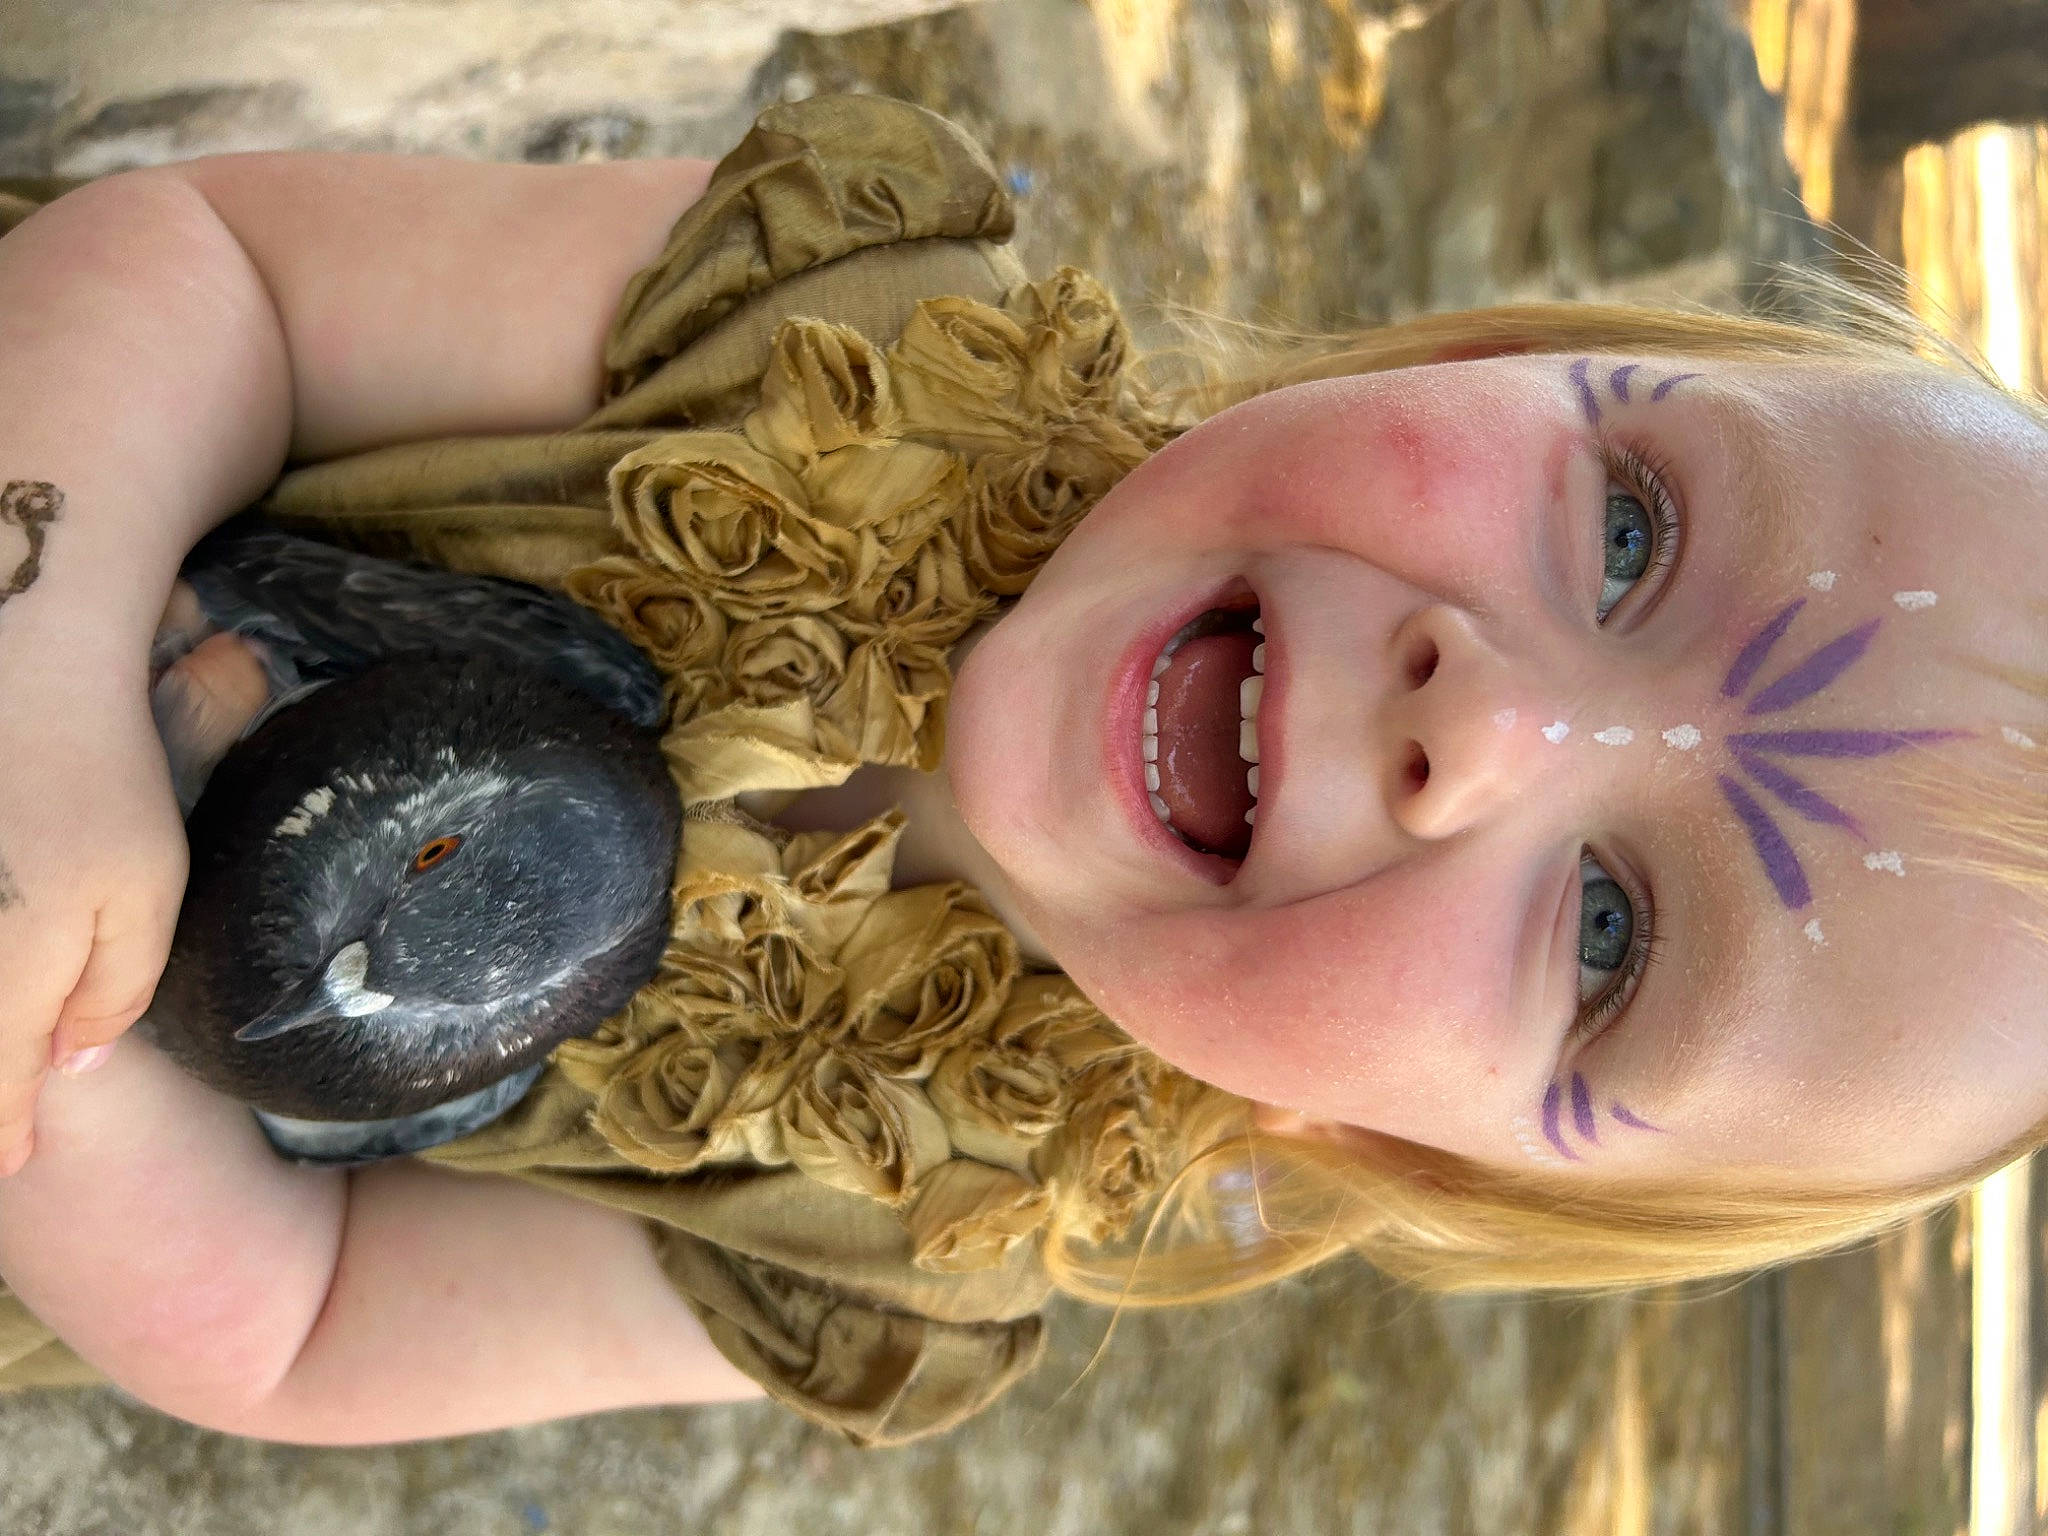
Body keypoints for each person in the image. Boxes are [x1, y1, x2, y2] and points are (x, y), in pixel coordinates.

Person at [0, 92, 2040, 1448]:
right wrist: (48, 669)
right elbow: (207, 274)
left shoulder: (902, 1237)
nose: (1482, 726)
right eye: (1627, 534)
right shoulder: (827, 337)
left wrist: (69, 1072)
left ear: (1435, 1151)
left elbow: (305, 1324)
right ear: (1491, 355)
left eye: (1607, 934)